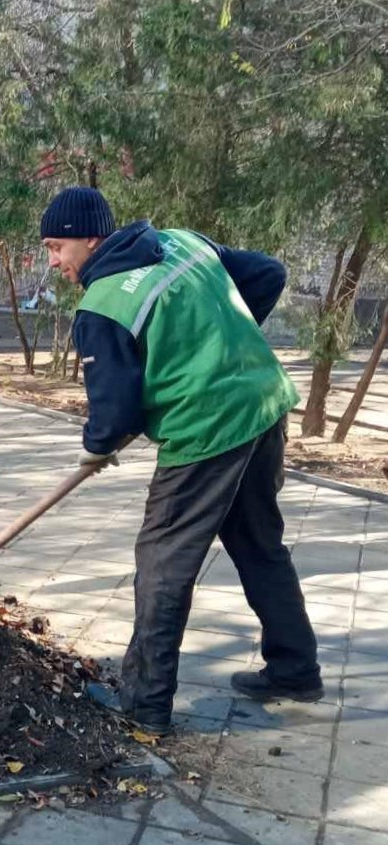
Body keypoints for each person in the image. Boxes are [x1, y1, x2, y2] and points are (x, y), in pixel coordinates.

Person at [38, 185, 321, 736]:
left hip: (207, 431)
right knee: (260, 544)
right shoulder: (182, 244)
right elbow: (267, 274)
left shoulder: (103, 306)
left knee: (163, 563)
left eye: (57, 247)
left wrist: (98, 446)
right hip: (263, 406)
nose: (54, 262)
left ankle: (142, 705)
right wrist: (217, 345)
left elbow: (115, 415)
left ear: (90, 239)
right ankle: (295, 669)